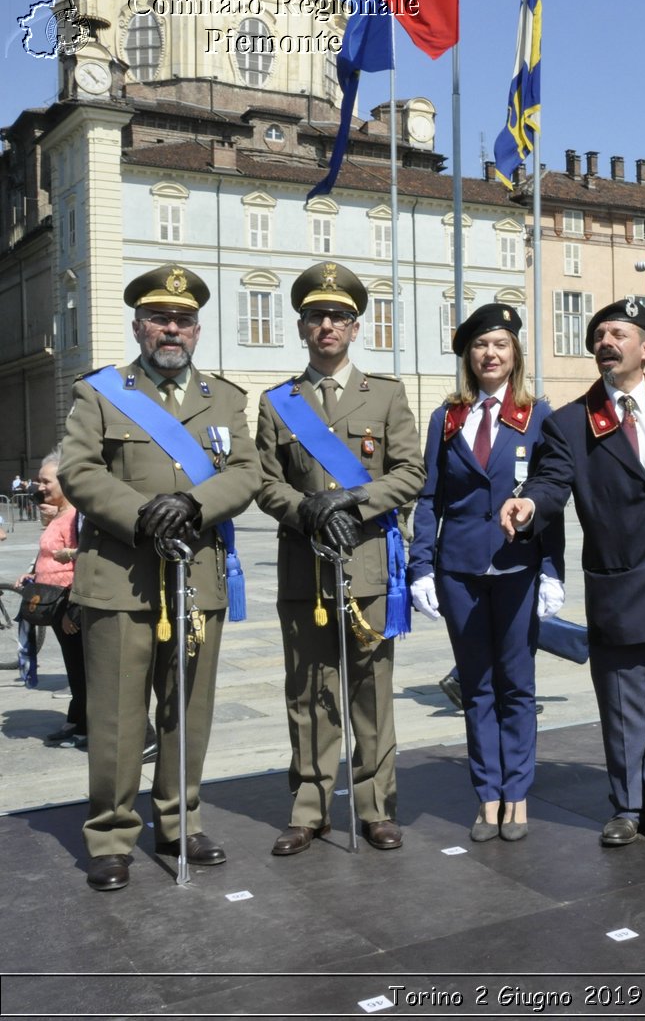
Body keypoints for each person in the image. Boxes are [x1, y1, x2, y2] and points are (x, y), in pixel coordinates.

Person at [59, 263, 261, 890]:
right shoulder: (101, 392)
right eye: (159, 319)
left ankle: (179, 820)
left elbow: (247, 471)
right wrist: (142, 514)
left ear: (197, 329)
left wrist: (197, 505)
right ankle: (113, 835)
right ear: (139, 326)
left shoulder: (223, 398)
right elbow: (80, 471)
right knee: (119, 715)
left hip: (197, 576)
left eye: (182, 320)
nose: (171, 330)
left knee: (187, 710)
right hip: (122, 575)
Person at [498, 297, 645, 850]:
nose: (605, 342)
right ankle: (626, 805)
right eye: (598, 335)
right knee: (621, 705)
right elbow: (552, 481)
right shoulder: (571, 422)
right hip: (620, 586)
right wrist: (530, 506)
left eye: (617, 333)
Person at [255, 262, 424, 856]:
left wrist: (356, 502)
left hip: (369, 568)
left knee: (370, 695)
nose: (327, 326)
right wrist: (308, 512)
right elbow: (264, 482)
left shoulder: (387, 395)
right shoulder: (279, 403)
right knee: (307, 693)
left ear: (357, 328)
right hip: (305, 569)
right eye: (316, 317)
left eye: (338, 317)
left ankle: (377, 807)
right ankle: (310, 809)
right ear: (301, 327)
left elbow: (411, 472)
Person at [409, 303, 565, 842]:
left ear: (515, 353)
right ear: (467, 356)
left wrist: (551, 569)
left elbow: (551, 498)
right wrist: (421, 566)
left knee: (517, 686)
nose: (490, 354)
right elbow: (429, 498)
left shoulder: (538, 416)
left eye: (500, 344)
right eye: (480, 345)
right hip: (459, 571)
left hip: (518, 567)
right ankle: (489, 794)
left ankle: (518, 792)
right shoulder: (447, 418)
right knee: (476, 687)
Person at [14, 448, 86, 747]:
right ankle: (75, 720)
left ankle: (86, 727)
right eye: (39, 481)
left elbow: (83, 563)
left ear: (65, 481)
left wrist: (75, 611)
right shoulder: (59, 517)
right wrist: (32, 575)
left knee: (81, 667)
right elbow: (50, 558)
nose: (40, 487)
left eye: (47, 482)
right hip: (53, 602)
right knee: (73, 666)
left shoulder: (76, 520)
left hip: (68, 604)